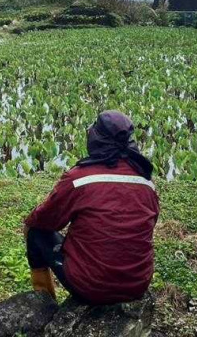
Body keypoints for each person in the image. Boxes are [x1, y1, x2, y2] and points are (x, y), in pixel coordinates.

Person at [23, 110, 160, 305]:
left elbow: (44, 219)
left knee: (35, 232)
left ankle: (45, 302)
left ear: (96, 138)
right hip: (138, 284)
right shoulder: (146, 181)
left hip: (91, 286)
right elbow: (150, 223)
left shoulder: (80, 178)